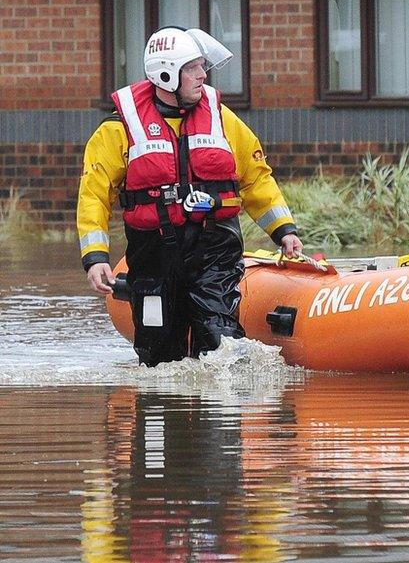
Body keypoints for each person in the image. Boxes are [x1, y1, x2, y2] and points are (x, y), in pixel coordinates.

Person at [77, 26, 304, 367]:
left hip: (214, 249)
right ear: (166, 74)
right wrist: (95, 257)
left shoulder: (221, 118)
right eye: (193, 68)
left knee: (221, 344)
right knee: (158, 356)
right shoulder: (118, 128)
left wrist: (284, 230)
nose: (203, 75)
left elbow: (255, 177)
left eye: (202, 66)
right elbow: (94, 194)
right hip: (154, 254)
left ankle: (220, 415)